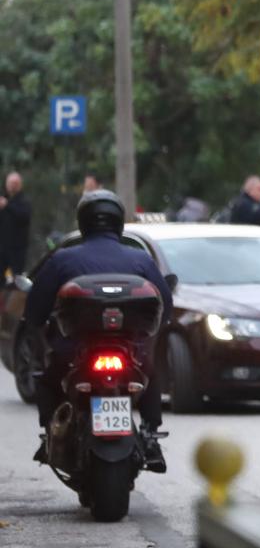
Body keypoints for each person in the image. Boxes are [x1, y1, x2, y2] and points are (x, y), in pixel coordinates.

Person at [23, 190, 172, 473]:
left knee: (46, 382)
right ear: (118, 221)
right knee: (151, 376)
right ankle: (151, 436)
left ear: (83, 222)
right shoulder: (139, 259)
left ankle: (51, 436)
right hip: (131, 354)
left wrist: (39, 324)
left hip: (73, 354)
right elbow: (165, 305)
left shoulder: (63, 259)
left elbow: (35, 310)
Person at [0, 171, 32, 283]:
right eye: (10, 183)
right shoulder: (3, 198)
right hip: (3, 247)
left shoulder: (24, 201)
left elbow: (24, 217)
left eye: (15, 183)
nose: (12, 186)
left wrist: (7, 206)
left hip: (17, 249)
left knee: (16, 279)